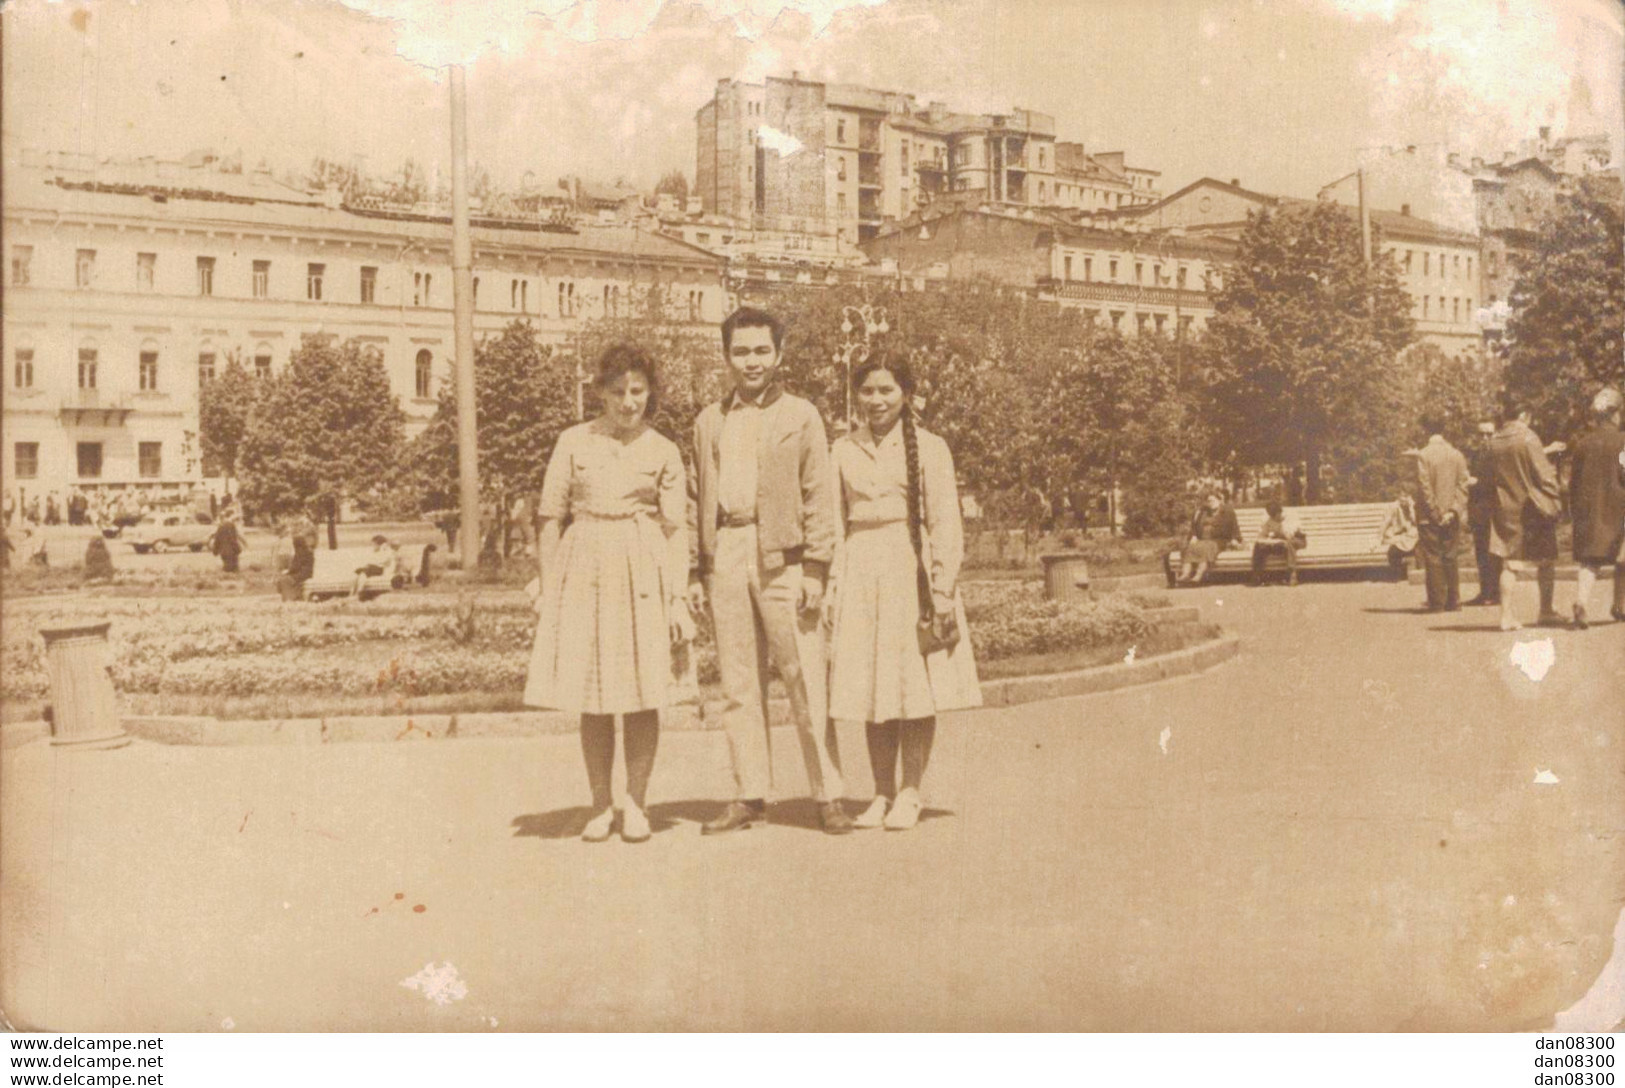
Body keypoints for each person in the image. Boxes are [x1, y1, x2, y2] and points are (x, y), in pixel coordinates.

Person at [688, 307, 849, 836]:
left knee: (804, 676)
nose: (751, 361)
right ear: (727, 356)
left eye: (761, 350)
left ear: (778, 355)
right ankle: (749, 793)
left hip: (786, 555)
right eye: (741, 351)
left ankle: (827, 794)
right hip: (728, 551)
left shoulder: (801, 416)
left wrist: (816, 569)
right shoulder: (709, 421)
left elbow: (820, 496)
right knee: (738, 681)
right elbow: (696, 501)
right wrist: (697, 567)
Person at [525, 344, 694, 844]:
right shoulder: (573, 442)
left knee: (643, 693)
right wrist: (550, 589)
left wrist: (677, 596)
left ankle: (637, 803)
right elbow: (551, 519)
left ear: (650, 393)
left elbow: (675, 528)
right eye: (617, 391)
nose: (627, 402)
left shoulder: (663, 450)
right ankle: (601, 804)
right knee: (594, 695)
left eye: (637, 391)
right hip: (585, 569)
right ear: (599, 391)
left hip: (642, 568)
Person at [827, 354, 981, 832]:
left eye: (886, 390)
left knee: (914, 688)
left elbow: (946, 524)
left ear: (906, 394)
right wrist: (833, 584)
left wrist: (940, 588)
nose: (876, 400)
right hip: (860, 569)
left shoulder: (931, 449)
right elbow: (833, 524)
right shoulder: (842, 450)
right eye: (868, 391)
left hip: (909, 572)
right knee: (875, 687)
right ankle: (880, 792)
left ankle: (910, 791)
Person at [1487, 397, 1563, 631]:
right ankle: (1546, 610)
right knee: (1546, 560)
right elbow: (1543, 474)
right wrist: (1555, 498)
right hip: (1533, 507)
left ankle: (1506, 615)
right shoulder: (1528, 437)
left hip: (1505, 507)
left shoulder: (1493, 441)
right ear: (1523, 416)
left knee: (1510, 563)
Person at [1567, 387, 1625, 628]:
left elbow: (1573, 482)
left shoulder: (1583, 444)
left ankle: (1581, 601)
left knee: (1590, 561)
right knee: (1623, 558)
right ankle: (1620, 605)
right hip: (1619, 508)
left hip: (1590, 510)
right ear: (1615, 414)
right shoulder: (1622, 441)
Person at [1414, 418, 1470, 612]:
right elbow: (1463, 485)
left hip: (1429, 517)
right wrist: (1453, 511)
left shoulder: (1423, 455)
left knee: (1433, 557)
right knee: (1450, 555)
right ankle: (1454, 601)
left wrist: (1436, 513)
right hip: (1452, 515)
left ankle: (1437, 602)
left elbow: (1425, 488)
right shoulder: (1457, 455)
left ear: (1426, 432)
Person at [1464, 421, 1501, 606]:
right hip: (1478, 510)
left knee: (1493, 553)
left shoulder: (1498, 454)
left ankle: (1495, 593)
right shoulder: (1476, 455)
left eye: (1489, 434)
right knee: (1482, 553)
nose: (1485, 438)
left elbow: (1497, 481)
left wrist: (1476, 482)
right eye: (1481, 434)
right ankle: (1485, 591)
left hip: (1493, 510)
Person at [1175, 491, 1241, 586]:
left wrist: (1235, 539)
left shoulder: (1228, 512)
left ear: (1219, 500)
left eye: (1213, 500)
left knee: (1207, 548)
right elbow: (1194, 527)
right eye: (1209, 501)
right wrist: (1193, 536)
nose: (1211, 503)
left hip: (1219, 540)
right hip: (1202, 539)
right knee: (1190, 548)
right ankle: (1185, 574)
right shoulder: (1203, 512)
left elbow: (1234, 527)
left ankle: (1198, 575)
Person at [1250, 499, 1303, 587]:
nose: (1273, 518)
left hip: (1297, 540)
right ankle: (1257, 575)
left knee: (1289, 543)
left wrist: (1279, 529)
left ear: (1280, 512)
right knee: (1259, 545)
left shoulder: (1291, 516)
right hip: (1279, 543)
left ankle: (1292, 574)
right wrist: (1266, 539)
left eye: (1275, 516)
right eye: (1272, 516)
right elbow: (1262, 534)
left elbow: (1290, 535)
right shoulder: (1267, 519)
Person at [1380, 490, 1419, 578]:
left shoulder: (1414, 506)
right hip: (1397, 536)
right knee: (1393, 550)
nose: (1404, 499)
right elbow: (1385, 522)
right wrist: (1378, 537)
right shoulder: (1394, 507)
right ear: (1398, 497)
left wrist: (1411, 508)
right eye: (1402, 496)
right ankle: (1397, 574)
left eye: (1407, 496)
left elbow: (1416, 522)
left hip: (1411, 537)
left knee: (1416, 538)